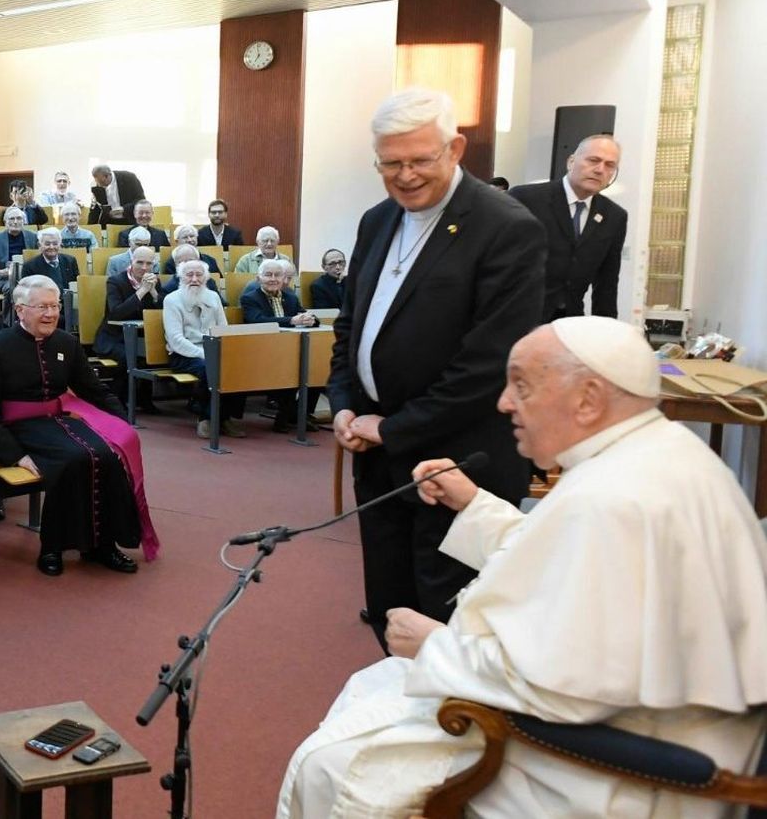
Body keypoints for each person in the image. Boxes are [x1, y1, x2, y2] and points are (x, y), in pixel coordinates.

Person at [280, 317, 767, 818]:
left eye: (522, 386)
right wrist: (474, 505)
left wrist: (435, 646)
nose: (504, 403)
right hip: (645, 726)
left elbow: (570, 690)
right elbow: (566, 557)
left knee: (328, 766)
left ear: (588, 399)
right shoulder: (651, 455)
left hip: (615, 771)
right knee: (371, 689)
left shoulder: (614, 499)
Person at [327, 87, 544, 650]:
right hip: (378, 457)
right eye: (390, 163)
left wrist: (394, 428)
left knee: (451, 627)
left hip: (459, 460)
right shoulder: (377, 220)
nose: (405, 176)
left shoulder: (506, 226)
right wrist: (344, 401)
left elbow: (487, 364)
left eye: (420, 160)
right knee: (391, 609)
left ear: (455, 149)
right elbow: (350, 325)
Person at [0, 275, 157, 576]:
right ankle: (52, 547)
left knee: (108, 454)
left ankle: (103, 546)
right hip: (19, 427)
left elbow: (92, 389)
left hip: (59, 421)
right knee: (74, 459)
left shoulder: (66, 342)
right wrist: (16, 456)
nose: (51, 314)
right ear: (20, 310)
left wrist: (122, 423)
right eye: (42, 307)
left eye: (55, 306)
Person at [510, 134, 627, 321]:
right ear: (571, 162)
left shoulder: (614, 216)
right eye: (593, 160)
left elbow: (607, 283)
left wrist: (606, 330)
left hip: (569, 321)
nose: (600, 170)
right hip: (518, 317)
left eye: (609, 165)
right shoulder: (526, 198)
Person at [162, 260, 243, 439]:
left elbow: (223, 328)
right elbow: (176, 340)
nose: (194, 279)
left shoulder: (213, 296)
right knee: (210, 368)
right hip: (184, 354)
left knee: (239, 366)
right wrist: (205, 354)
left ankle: (225, 417)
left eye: (199, 275)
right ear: (180, 277)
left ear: (205, 278)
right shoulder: (172, 300)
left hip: (213, 349)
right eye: (189, 275)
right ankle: (206, 418)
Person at [241, 258, 321, 432]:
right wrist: (291, 320)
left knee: (317, 370)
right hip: (262, 349)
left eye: (277, 275)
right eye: (268, 275)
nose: (273, 279)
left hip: (291, 349)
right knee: (290, 368)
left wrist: (310, 319)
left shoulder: (290, 298)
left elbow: (307, 316)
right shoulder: (250, 298)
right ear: (258, 278)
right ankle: (285, 417)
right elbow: (257, 321)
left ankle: (298, 414)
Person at [19, 228, 79, 325]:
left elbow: (76, 287)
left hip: (68, 306)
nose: (51, 247)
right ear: (40, 245)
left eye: (55, 243)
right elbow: (27, 294)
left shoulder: (70, 261)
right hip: (43, 308)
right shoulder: (29, 266)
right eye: (47, 244)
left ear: (60, 244)